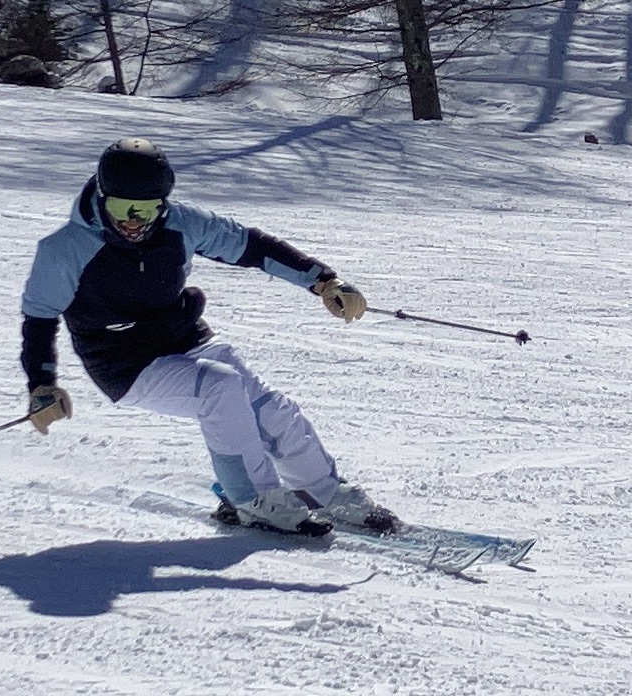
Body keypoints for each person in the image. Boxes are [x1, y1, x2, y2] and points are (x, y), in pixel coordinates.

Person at [21, 137, 397, 537]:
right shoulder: (65, 249)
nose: (132, 222)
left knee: (270, 408)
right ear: (101, 196)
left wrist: (323, 281)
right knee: (221, 388)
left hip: (185, 338)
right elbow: (39, 318)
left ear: (162, 204)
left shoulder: (182, 223)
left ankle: (324, 491)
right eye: (120, 208)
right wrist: (42, 384)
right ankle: (251, 500)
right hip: (123, 363)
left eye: (145, 210)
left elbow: (252, 246)